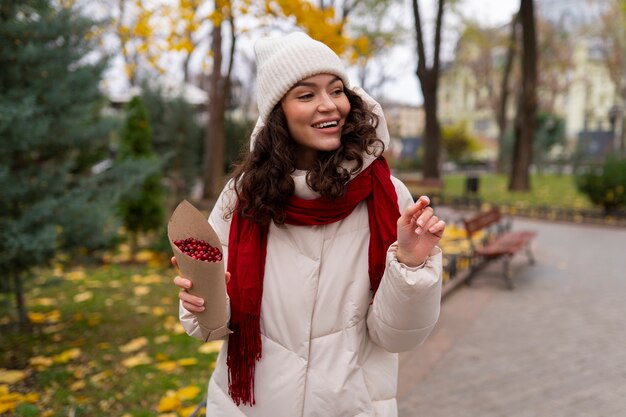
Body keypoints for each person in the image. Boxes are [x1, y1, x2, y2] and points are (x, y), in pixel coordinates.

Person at [173, 32, 445, 417]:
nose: (328, 106)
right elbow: (214, 328)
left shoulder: (387, 195)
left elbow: (396, 335)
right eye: (306, 95)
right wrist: (200, 301)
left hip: (352, 406)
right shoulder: (242, 198)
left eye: (336, 91)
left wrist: (411, 264)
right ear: (277, 114)